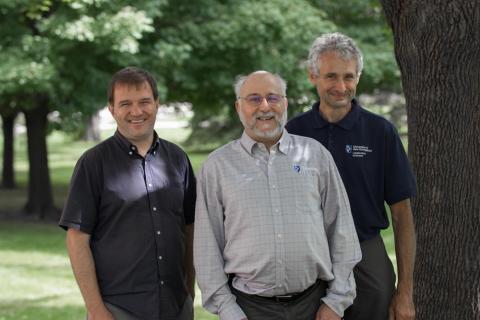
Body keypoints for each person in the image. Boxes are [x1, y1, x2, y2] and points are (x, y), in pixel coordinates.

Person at [194, 70, 361, 320]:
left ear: (285, 103)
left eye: (273, 98)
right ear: (238, 106)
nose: (265, 106)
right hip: (249, 309)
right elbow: (207, 247)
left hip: (314, 306)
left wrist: (336, 301)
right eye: (253, 99)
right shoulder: (217, 166)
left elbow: (342, 230)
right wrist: (228, 311)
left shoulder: (315, 155)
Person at [286, 33, 417, 320]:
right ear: (313, 76)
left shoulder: (380, 132)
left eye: (349, 77)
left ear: (358, 77)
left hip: (365, 251)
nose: (341, 86)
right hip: (308, 254)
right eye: (331, 76)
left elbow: (402, 214)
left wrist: (405, 291)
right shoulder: (292, 133)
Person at [59, 66, 196, 320]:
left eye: (144, 102)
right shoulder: (93, 163)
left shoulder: (177, 159)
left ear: (156, 103)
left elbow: (190, 228)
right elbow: (77, 240)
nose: (136, 111)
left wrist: (189, 292)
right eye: (125, 104)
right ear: (112, 108)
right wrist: (96, 310)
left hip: (176, 306)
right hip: (118, 310)